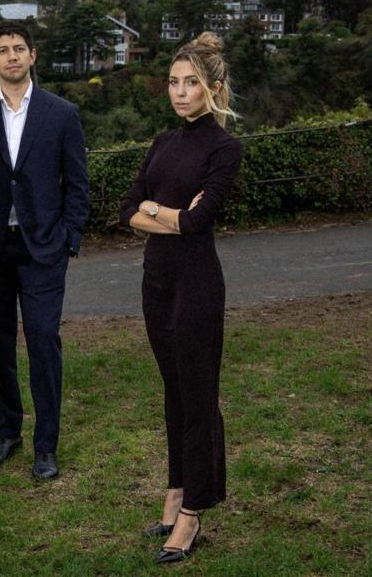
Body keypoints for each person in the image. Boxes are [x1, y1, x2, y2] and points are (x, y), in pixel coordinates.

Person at [0, 21, 90, 478]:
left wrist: (70, 235)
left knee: (44, 342)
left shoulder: (61, 113)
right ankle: (6, 433)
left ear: (32, 56)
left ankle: (46, 445)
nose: (11, 56)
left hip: (42, 247)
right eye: (3, 50)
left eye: (19, 48)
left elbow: (77, 183)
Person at [119, 31, 242, 564]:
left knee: (198, 394)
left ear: (213, 88)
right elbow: (127, 211)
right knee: (173, 391)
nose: (180, 92)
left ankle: (193, 511)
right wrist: (171, 218)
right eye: (173, 82)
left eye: (191, 83)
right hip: (157, 280)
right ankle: (174, 491)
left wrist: (160, 214)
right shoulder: (163, 144)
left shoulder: (224, 146)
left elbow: (200, 220)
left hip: (197, 284)